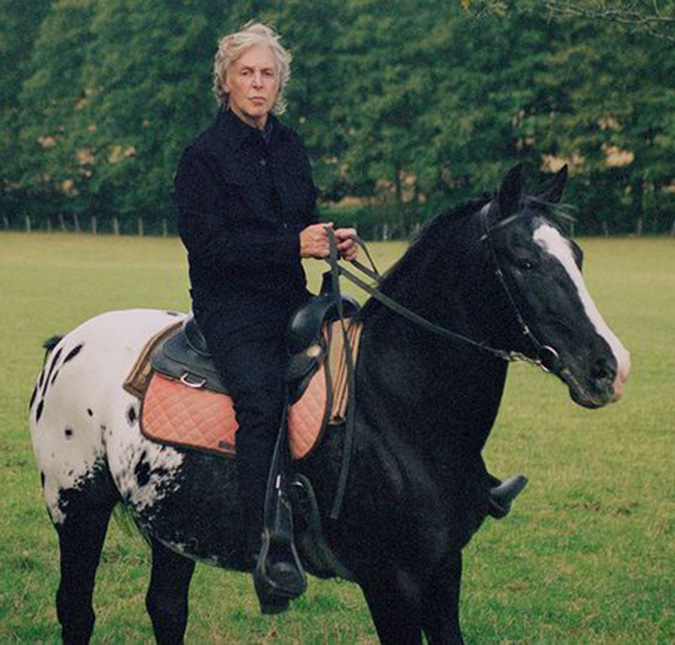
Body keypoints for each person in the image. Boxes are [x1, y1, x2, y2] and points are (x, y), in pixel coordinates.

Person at [174, 22, 357, 610]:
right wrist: (293, 245)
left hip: (290, 294)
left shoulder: (290, 144)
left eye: (268, 74)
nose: (258, 83)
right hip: (231, 306)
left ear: (280, 84)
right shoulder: (201, 157)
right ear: (225, 82)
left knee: (363, 362)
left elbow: (299, 222)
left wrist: (329, 241)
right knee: (259, 401)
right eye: (247, 73)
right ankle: (268, 543)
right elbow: (210, 249)